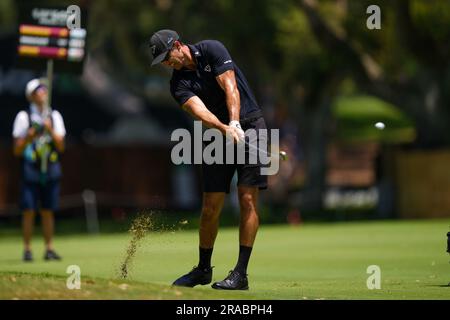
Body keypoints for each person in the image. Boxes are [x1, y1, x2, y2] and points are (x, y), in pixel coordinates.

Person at [150, 29, 269, 290]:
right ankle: (203, 269)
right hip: (217, 134)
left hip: (249, 124)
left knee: (247, 199)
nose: (167, 64)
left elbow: (230, 86)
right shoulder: (177, 83)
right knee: (209, 207)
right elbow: (199, 111)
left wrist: (235, 122)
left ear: (178, 45)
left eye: (167, 57)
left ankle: (240, 274)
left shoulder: (211, 49)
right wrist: (225, 129)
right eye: (163, 62)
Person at [12, 78, 66, 262]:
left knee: (48, 210)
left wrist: (50, 131)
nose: (42, 92)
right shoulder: (23, 117)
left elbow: (61, 146)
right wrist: (29, 137)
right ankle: (27, 250)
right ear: (31, 95)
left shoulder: (54, 116)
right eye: (38, 90)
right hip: (30, 168)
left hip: (50, 167)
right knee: (28, 210)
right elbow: (16, 149)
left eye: (44, 89)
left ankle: (49, 249)